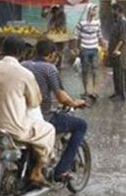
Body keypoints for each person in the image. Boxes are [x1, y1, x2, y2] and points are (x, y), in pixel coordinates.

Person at [0, 36, 55, 185]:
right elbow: (35, 101)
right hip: (12, 128)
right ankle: (37, 171)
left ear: (2, 50)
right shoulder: (24, 74)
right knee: (49, 129)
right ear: (21, 52)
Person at [22, 39, 87, 182]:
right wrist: (74, 102)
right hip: (43, 117)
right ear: (51, 55)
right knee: (81, 125)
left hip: (22, 116)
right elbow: (62, 97)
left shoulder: (23, 65)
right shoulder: (49, 69)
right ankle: (61, 170)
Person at [74, 3, 105, 99]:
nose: (94, 12)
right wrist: (76, 49)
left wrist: (104, 45)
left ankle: (94, 91)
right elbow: (76, 36)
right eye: (93, 10)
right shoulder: (81, 23)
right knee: (85, 70)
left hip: (94, 49)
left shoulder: (97, 23)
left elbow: (100, 35)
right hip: (84, 49)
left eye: (95, 10)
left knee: (95, 70)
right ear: (88, 11)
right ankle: (86, 91)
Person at [108, 4, 126, 101]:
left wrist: (116, 49)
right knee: (116, 73)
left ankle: (122, 94)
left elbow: (122, 39)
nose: (112, 12)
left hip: (120, 53)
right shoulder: (117, 21)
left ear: (117, 10)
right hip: (115, 53)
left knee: (120, 73)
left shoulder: (122, 22)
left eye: (113, 10)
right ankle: (117, 92)